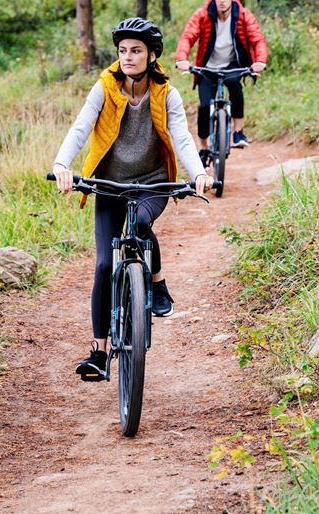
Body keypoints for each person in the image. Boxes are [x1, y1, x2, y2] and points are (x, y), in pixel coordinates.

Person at [51, 17, 213, 381]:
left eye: (136, 51)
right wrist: (62, 163)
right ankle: (99, 351)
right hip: (108, 183)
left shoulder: (165, 93)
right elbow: (81, 126)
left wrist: (198, 173)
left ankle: (155, 282)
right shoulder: (105, 87)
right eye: (123, 51)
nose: (128, 57)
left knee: (140, 222)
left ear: (151, 55)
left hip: (151, 183)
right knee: (104, 266)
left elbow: (181, 137)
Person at [174, 0, 268, 160]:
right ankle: (203, 148)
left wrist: (260, 61)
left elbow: (257, 40)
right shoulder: (202, 15)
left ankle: (238, 133)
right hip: (207, 67)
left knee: (235, 87)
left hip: (232, 65)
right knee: (204, 106)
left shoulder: (243, 15)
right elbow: (187, 37)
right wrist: (181, 59)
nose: (222, 1)